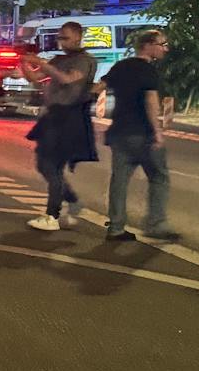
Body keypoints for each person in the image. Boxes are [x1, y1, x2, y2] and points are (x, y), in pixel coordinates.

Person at [101, 28, 179, 243]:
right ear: (149, 45)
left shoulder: (121, 66)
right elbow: (150, 102)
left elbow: (99, 86)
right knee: (159, 177)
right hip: (142, 134)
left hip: (119, 133)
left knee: (119, 181)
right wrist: (157, 132)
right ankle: (156, 224)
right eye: (162, 44)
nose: (166, 49)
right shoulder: (148, 71)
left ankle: (116, 228)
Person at [23, 21, 97, 231]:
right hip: (53, 117)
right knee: (44, 164)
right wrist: (25, 63)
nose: (61, 42)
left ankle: (52, 214)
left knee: (52, 165)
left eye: (65, 37)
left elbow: (67, 80)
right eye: (59, 38)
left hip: (70, 117)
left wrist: (42, 64)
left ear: (77, 37)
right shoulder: (59, 59)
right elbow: (36, 78)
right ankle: (71, 199)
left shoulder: (85, 61)